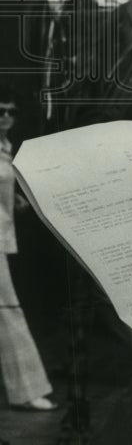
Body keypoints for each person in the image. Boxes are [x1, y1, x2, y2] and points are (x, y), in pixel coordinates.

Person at [0, 95, 58, 411]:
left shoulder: (6, 147)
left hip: (3, 236)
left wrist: (15, 201)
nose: (6, 116)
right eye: (0, 111)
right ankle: (27, 389)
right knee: (9, 313)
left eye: (12, 111)